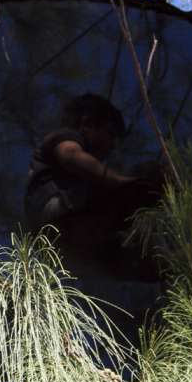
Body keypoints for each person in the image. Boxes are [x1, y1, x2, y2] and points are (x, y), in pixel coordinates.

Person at [23, 94, 159, 280]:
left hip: (59, 243)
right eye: (110, 133)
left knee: (138, 262)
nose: (112, 145)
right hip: (57, 214)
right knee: (148, 180)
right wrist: (122, 183)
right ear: (87, 124)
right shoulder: (66, 138)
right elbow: (71, 156)